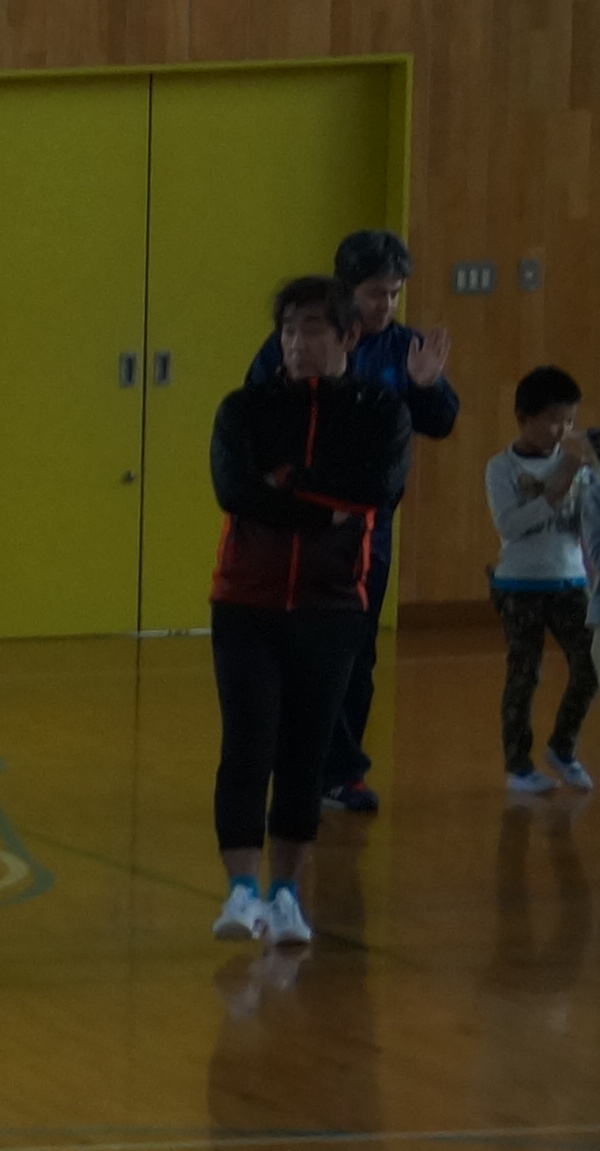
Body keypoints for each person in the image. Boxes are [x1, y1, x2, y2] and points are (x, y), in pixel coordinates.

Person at [205, 278, 405, 951]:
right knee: (247, 745)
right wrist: (322, 508)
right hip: (246, 600)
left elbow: (377, 489)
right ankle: (241, 888)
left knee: (305, 753)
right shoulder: (245, 408)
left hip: (331, 604)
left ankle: (287, 893)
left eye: (313, 328)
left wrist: (288, 483)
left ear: (348, 336)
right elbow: (235, 491)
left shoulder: (379, 411)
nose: (297, 342)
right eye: (288, 329)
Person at [244, 231, 464, 812]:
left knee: (355, 651)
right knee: (294, 649)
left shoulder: (405, 347)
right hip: (299, 523)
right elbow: (256, 413)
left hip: (368, 533)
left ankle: (340, 772)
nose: (386, 304)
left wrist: (426, 387)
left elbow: (440, 422)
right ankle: (296, 764)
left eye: (394, 293)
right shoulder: (299, 342)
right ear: (346, 291)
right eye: (374, 293)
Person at [499, 367, 599, 797]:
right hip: (519, 586)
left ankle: (562, 747)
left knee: (590, 665)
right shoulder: (501, 467)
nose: (563, 430)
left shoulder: (575, 466)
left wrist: (589, 477)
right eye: (554, 420)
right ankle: (518, 765)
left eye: (569, 421)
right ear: (524, 418)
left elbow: (586, 523)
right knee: (525, 673)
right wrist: (554, 492)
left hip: (570, 581)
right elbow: (509, 525)